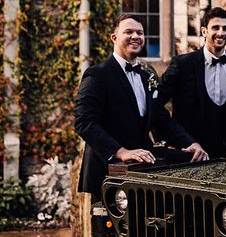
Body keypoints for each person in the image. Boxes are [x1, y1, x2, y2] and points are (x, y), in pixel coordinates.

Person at [75, 14, 207, 197]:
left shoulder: (146, 77)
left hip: (142, 168)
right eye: (128, 32)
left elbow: (161, 119)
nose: (135, 36)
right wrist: (121, 152)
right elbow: (84, 122)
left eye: (140, 32)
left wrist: (190, 143)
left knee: (196, 159)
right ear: (114, 38)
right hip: (109, 172)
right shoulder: (97, 75)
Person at [154, 7, 226, 159]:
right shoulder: (182, 65)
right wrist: (177, 140)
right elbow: (154, 105)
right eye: (215, 28)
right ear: (204, 31)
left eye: (225, 28)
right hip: (191, 155)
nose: (221, 33)